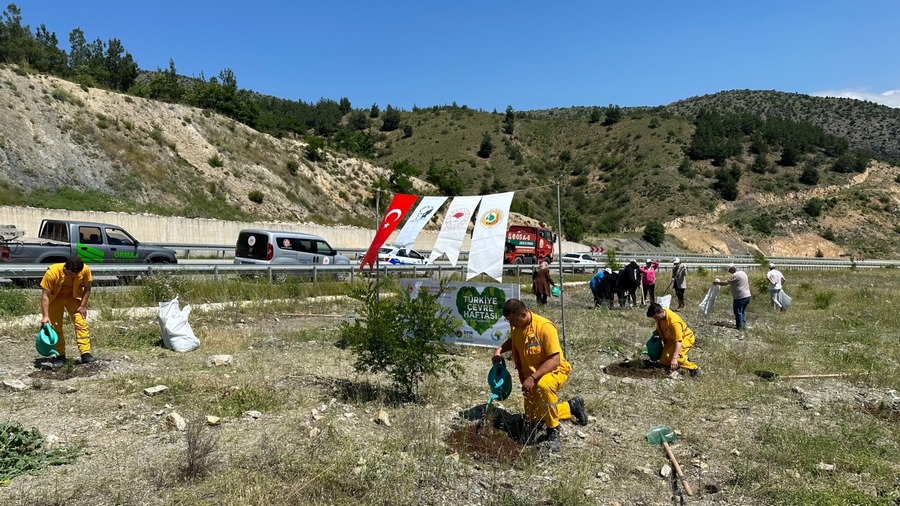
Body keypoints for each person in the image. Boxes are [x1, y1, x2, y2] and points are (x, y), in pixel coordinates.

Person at [492, 298, 588, 452]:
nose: (511, 324)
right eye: (508, 321)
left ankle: (553, 431)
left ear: (523, 315)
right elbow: (514, 340)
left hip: (553, 371)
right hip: (531, 376)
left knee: (544, 387)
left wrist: (533, 378)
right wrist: (499, 350)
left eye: (512, 321)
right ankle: (571, 406)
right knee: (534, 417)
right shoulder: (517, 327)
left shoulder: (544, 327)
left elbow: (555, 359)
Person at [40, 257, 95, 364]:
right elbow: (45, 295)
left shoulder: (85, 270)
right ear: (65, 267)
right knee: (56, 327)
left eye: (75, 275)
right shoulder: (52, 272)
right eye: (69, 273)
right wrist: (45, 316)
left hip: (73, 298)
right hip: (55, 299)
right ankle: (60, 355)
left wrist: (83, 305)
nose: (72, 276)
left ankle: (85, 353)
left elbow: (87, 288)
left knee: (81, 323)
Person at [646, 302, 700, 377]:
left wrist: (674, 358)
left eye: (656, 317)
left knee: (674, 357)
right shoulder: (662, 316)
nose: (656, 320)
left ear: (661, 312)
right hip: (671, 340)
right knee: (664, 361)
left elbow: (679, 341)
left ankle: (693, 369)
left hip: (685, 339)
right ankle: (681, 361)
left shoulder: (674, 322)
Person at [714, 263, 751, 331]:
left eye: (729, 270)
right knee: (742, 311)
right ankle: (743, 325)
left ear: (733, 269)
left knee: (738, 312)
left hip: (740, 297)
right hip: (747, 296)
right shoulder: (743, 273)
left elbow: (726, 283)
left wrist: (717, 283)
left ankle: (740, 327)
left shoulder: (735, 275)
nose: (729, 272)